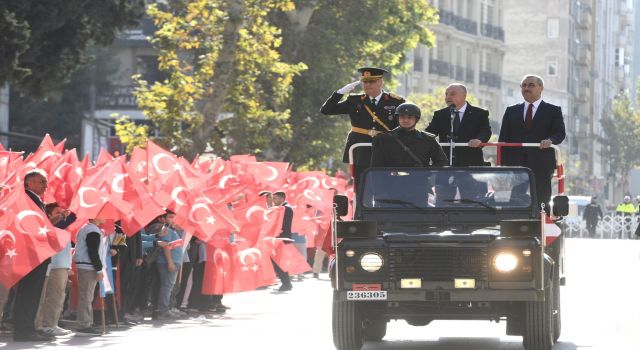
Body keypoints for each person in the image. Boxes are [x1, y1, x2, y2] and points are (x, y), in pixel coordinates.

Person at [320, 67, 405, 188]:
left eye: (372, 81)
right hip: (360, 149)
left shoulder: (395, 102)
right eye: (365, 81)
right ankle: (361, 207)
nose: (368, 84)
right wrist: (339, 93)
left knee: (385, 186)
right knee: (361, 186)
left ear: (381, 82)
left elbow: (404, 125)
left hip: (385, 148)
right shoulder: (354, 101)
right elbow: (326, 110)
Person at [498, 74, 566, 214]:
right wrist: (502, 166)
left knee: (542, 197)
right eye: (524, 86)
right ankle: (517, 223)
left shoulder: (553, 110)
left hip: (542, 162)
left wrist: (550, 140)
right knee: (516, 197)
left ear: (541, 88)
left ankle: (542, 224)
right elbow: (503, 139)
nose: (526, 88)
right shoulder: (512, 111)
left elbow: (560, 133)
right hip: (516, 163)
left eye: (531, 85)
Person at [13, 170, 55, 341]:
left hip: (36, 254)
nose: (45, 185)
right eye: (41, 182)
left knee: (32, 294)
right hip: (31, 254)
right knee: (28, 293)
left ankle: (28, 328)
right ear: (29, 183)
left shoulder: (35, 199)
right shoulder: (28, 199)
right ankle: (24, 331)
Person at [425, 83, 491, 166]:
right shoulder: (440, 114)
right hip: (445, 162)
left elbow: (485, 131)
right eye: (446, 94)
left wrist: (479, 139)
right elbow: (430, 132)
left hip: (471, 162)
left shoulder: (479, 113)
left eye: (452, 94)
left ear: (464, 96)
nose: (448, 97)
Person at [37, 203, 76, 337]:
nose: (62, 215)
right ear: (49, 215)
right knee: (51, 297)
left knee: (58, 297)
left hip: (62, 266)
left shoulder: (63, 228)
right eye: (57, 212)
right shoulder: (52, 225)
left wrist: (69, 267)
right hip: (54, 266)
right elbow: (72, 217)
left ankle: (51, 324)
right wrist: (74, 207)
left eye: (62, 212)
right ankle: (47, 325)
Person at [370, 102, 448, 167]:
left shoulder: (428, 140)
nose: (406, 120)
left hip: (418, 181)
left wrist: (427, 173)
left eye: (410, 117)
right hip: (392, 182)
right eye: (402, 117)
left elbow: (441, 162)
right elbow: (375, 167)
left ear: (416, 119)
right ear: (398, 118)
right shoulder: (383, 139)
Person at [74, 217, 107, 336]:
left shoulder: (89, 228)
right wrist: (99, 269)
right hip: (88, 266)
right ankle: (84, 324)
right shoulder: (92, 230)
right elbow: (92, 251)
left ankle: (87, 321)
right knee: (86, 296)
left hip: (86, 265)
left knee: (87, 296)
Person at [271, 191, 294, 292]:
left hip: (281, 239)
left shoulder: (286, 208)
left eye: (275, 198)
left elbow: (281, 224)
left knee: (278, 262)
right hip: (279, 239)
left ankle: (286, 283)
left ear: (282, 198)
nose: (274, 200)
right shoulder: (283, 208)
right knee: (278, 262)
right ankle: (286, 283)